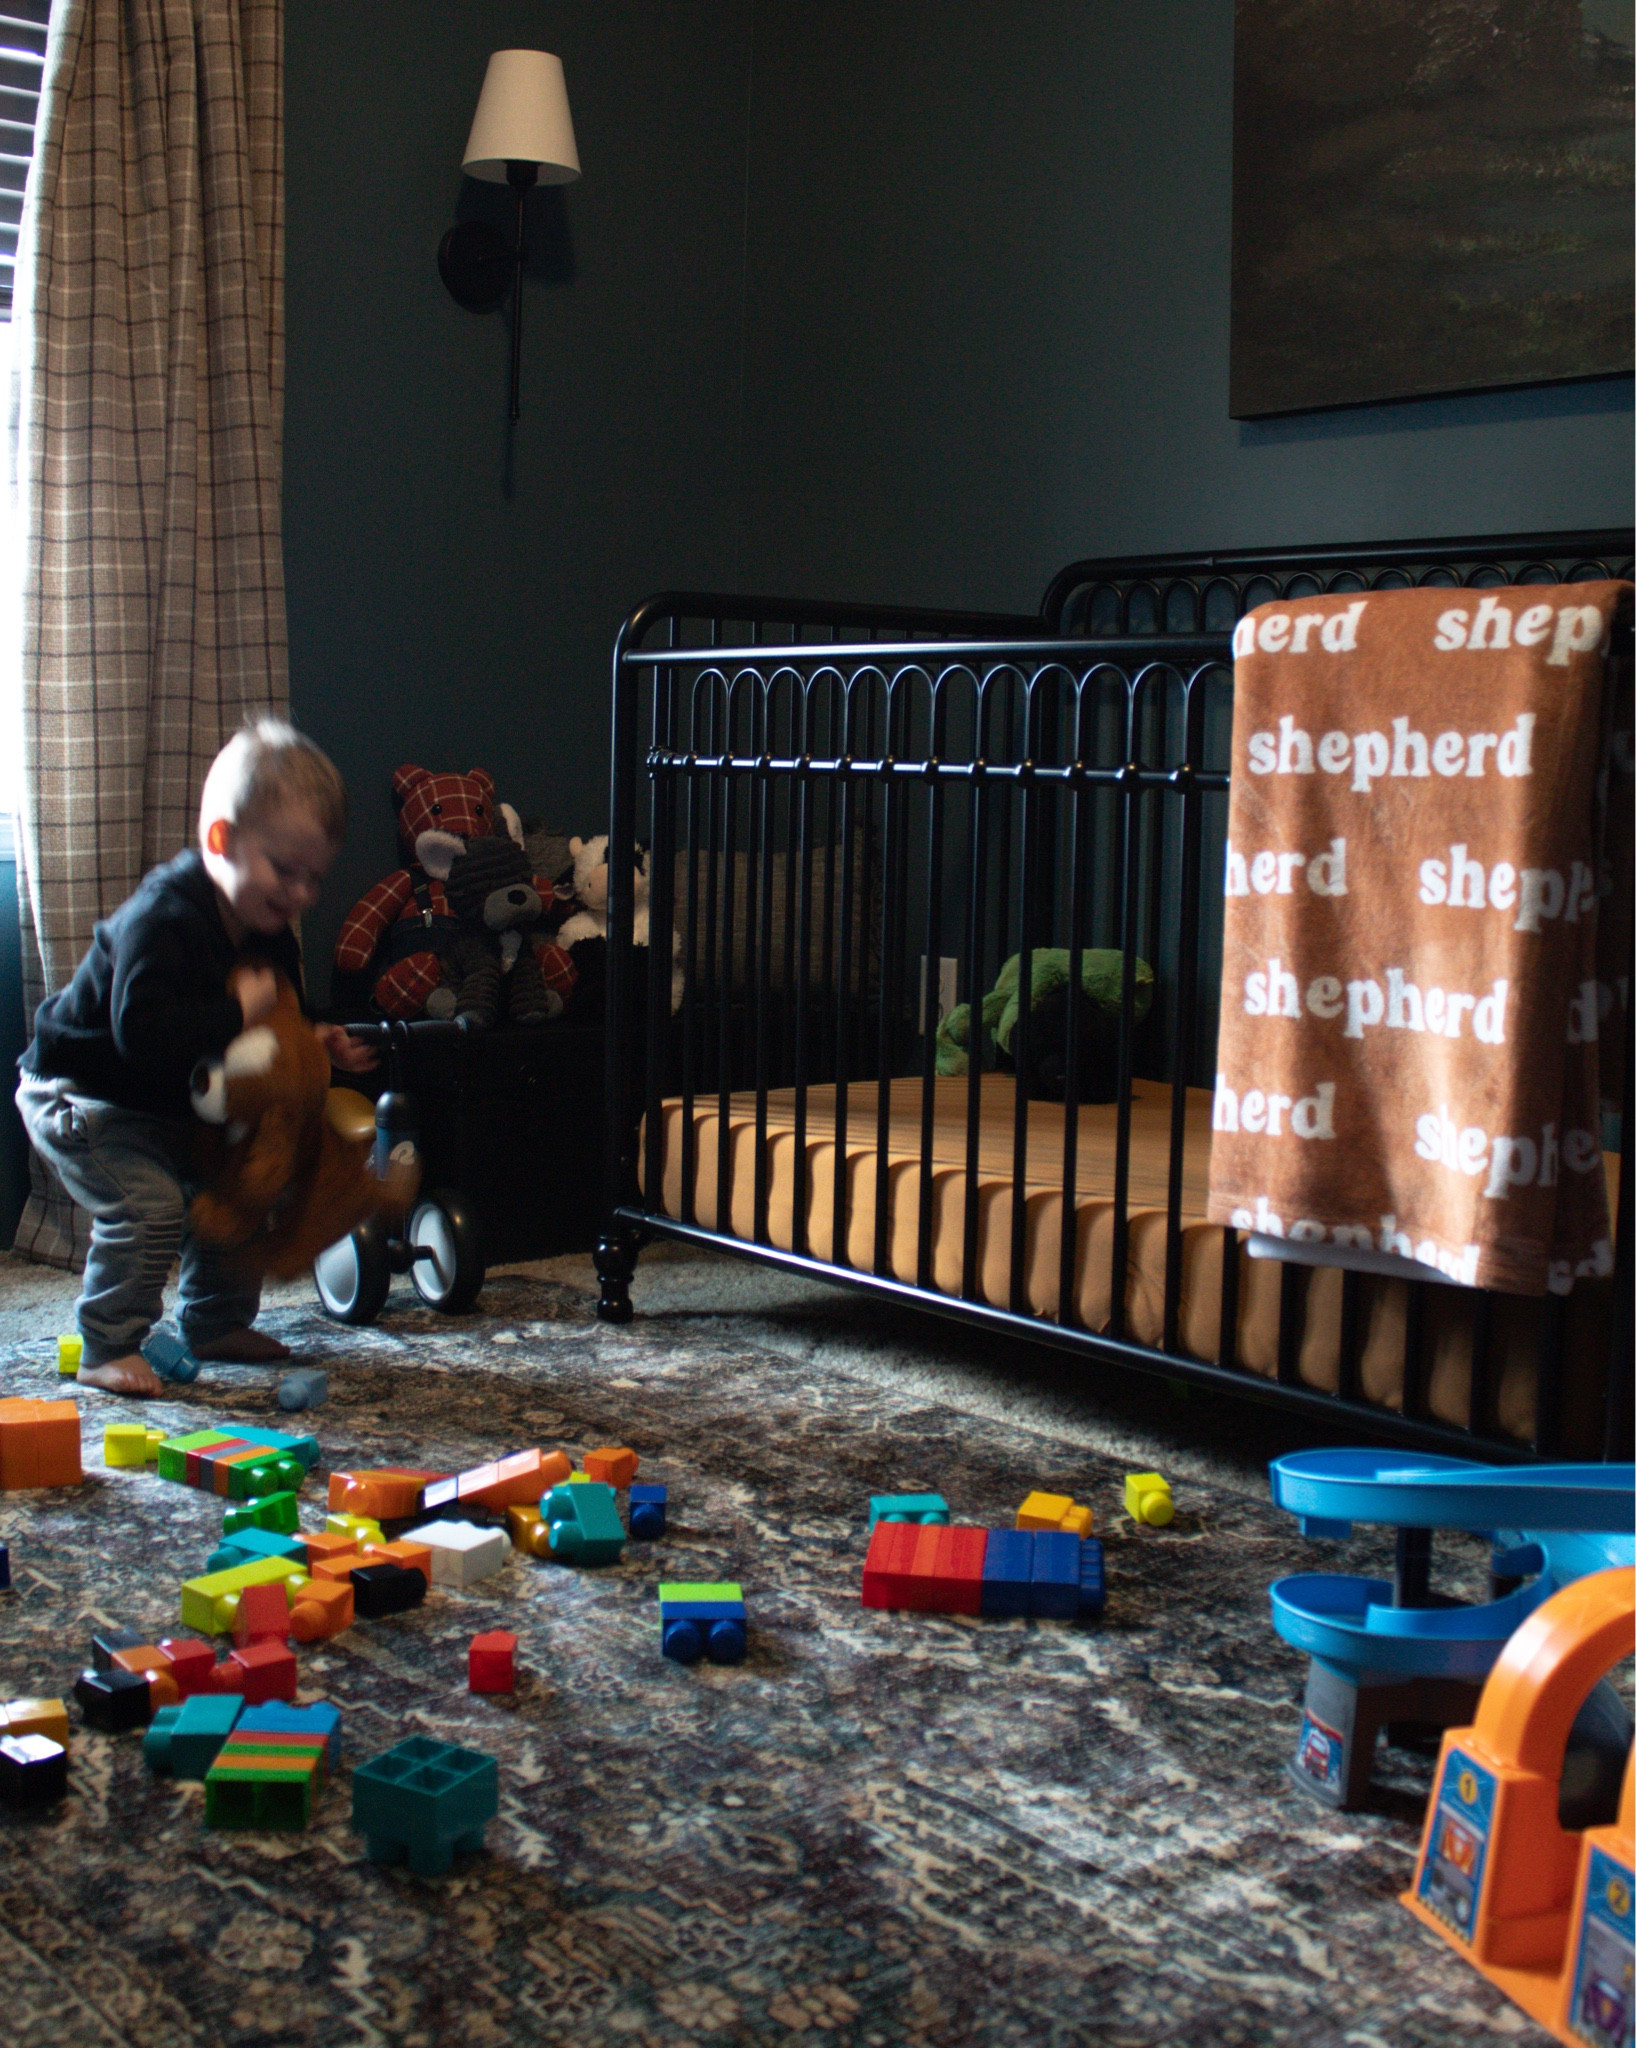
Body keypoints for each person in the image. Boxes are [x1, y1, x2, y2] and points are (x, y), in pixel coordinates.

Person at [16, 718, 376, 1396]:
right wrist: (235, 1010)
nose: (300, 894)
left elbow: (282, 1019)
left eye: (314, 878)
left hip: (167, 1101)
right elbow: (141, 1036)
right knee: (149, 1207)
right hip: (85, 1094)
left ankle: (213, 1322)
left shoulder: (268, 928)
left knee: (234, 1190)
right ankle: (108, 1343)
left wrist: (319, 1039)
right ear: (221, 842)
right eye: (285, 870)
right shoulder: (165, 914)